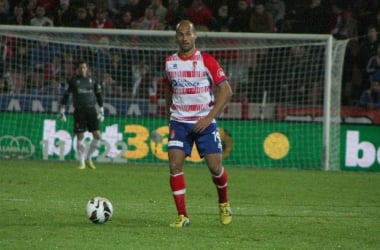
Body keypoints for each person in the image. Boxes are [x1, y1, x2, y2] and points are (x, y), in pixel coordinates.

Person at [164, 20, 233, 228]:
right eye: (181, 34)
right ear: (176, 37)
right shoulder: (169, 62)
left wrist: (209, 118)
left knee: (215, 167)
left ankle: (223, 202)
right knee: (174, 165)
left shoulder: (207, 61)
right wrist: (170, 113)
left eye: (188, 34)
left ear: (195, 36)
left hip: (205, 122)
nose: (184, 38)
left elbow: (226, 91)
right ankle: (182, 216)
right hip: (179, 122)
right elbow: (168, 87)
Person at [58, 60, 104, 170]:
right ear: (77, 70)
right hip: (79, 111)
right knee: (80, 137)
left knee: (97, 135)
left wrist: (101, 110)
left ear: (87, 69)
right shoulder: (73, 81)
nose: (82, 69)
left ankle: (88, 158)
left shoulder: (92, 80)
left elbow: (98, 95)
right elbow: (66, 96)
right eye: (80, 68)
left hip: (92, 110)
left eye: (84, 67)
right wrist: (62, 111)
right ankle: (82, 162)